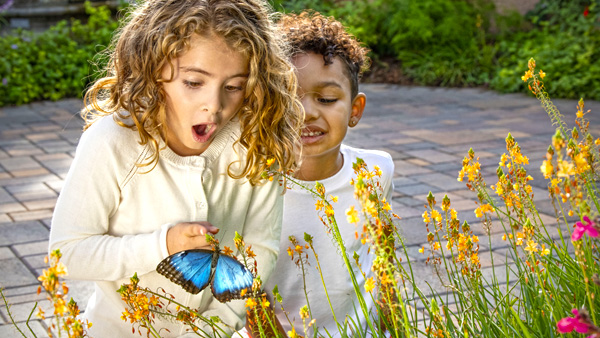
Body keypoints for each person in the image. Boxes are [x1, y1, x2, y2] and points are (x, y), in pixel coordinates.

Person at [48, 0, 303, 337]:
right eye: (194, 83)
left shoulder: (256, 141)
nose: (214, 105)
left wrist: (212, 328)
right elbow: (67, 254)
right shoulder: (112, 140)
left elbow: (260, 249)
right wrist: (163, 245)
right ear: (156, 71)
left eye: (234, 87)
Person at [246, 11, 396, 338]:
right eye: (289, 98)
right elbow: (251, 299)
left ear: (355, 110)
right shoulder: (252, 188)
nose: (307, 112)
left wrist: (395, 328)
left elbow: (384, 261)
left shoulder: (375, 170)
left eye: (326, 98)